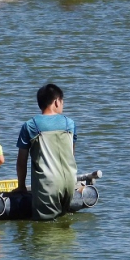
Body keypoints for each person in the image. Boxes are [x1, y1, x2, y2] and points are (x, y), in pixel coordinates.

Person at [16, 83, 78, 221]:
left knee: (45, 230)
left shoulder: (31, 125)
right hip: (70, 182)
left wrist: (21, 187)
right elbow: (71, 154)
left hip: (48, 185)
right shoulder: (70, 124)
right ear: (56, 102)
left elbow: (21, 161)